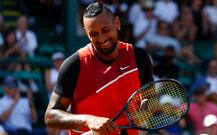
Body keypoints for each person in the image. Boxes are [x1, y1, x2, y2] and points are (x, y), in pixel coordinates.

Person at [45, 2, 153, 135]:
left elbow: (150, 97)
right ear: (86, 33)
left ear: (117, 23)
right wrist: (89, 120)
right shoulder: (73, 65)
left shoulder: (139, 57)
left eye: (105, 30)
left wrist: (147, 106)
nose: (101, 39)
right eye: (94, 34)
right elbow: (51, 116)